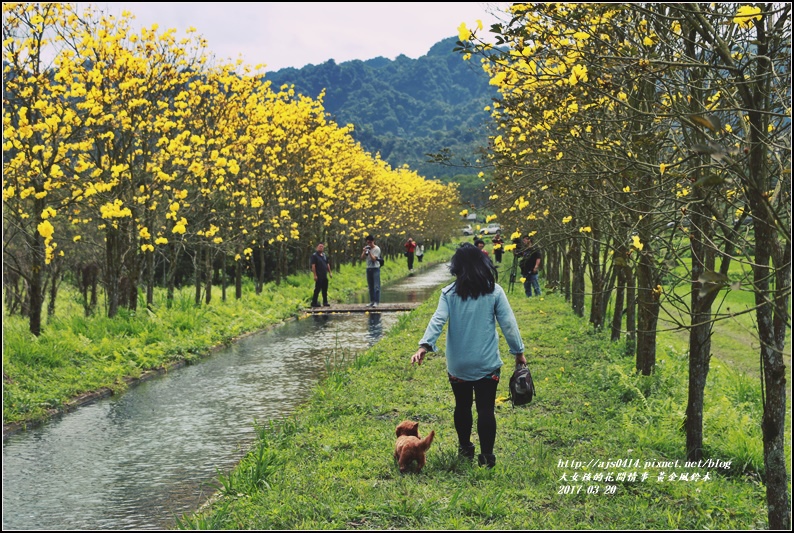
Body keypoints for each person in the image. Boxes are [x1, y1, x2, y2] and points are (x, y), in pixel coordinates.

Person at [411, 242, 526, 468]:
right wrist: (518, 352)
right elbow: (509, 325)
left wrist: (424, 346)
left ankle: (465, 449)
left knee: (462, 406)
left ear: (457, 267)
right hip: (487, 363)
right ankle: (487, 457)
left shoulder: (449, 293)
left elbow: (438, 320)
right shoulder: (494, 291)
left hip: (459, 365)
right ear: (482, 264)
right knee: (485, 408)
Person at [361, 235, 382, 307]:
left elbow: (374, 259)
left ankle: (376, 302)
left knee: (376, 286)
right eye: (367, 243)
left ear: (373, 241)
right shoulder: (367, 248)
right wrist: (364, 251)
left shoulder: (377, 249)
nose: (369, 244)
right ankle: (372, 301)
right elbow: (362, 258)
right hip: (368, 268)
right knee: (370, 286)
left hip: (375, 268)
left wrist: (369, 252)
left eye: (370, 242)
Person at [310, 242, 332, 307]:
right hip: (318, 275)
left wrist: (330, 272)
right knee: (317, 289)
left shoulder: (324, 255)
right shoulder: (314, 256)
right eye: (320, 246)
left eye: (322, 247)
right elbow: (313, 266)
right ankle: (314, 302)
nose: (321, 248)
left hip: (324, 275)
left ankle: (325, 302)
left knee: (325, 289)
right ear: (317, 247)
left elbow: (327, 264)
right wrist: (315, 275)